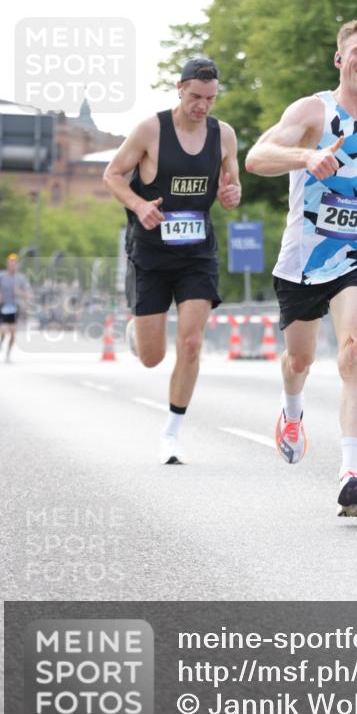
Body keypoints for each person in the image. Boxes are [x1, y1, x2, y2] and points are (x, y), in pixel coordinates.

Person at [245, 17, 357, 516]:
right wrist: (307, 156)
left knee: (352, 351)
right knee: (299, 361)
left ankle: (351, 474)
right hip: (303, 259)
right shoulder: (313, 110)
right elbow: (258, 157)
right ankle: (292, 412)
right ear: (340, 59)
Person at [103, 57, 241, 463]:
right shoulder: (151, 130)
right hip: (151, 252)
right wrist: (139, 204)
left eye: (210, 98)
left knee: (192, 341)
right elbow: (112, 174)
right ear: (179, 88)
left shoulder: (224, 135)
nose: (202, 106)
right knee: (152, 357)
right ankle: (138, 330)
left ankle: (172, 431)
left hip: (197, 252)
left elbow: (232, 188)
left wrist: (231, 196)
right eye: (196, 96)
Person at [0, 253, 31, 362]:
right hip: (3, 306)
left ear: (17, 265)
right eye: (10, 263)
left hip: (14, 307)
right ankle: (1, 341)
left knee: (13, 332)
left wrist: (20, 292)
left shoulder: (21, 278)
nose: (12, 266)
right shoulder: (1, 275)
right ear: (7, 265)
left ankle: (8, 354)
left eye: (14, 264)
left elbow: (28, 294)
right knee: (3, 330)